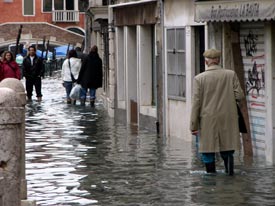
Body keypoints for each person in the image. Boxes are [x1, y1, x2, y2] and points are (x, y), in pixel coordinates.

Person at [190, 48, 244, 176]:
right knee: (228, 148)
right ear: (218, 60)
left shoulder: (199, 79)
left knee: (207, 151)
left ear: (206, 62)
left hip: (207, 119)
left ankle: (210, 180)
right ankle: (229, 176)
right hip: (228, 118)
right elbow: (240, 96)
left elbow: (196, 104)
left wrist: (193, 125)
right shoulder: (231, 75)